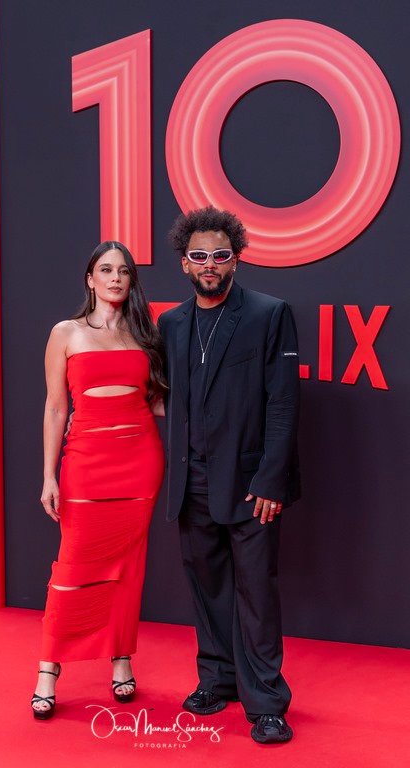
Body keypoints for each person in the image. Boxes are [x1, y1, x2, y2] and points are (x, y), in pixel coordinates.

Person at [158, 206, 300, 744]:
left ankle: (266, 702)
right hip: (190, 482)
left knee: (256, 594)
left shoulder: (269, 313)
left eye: (220, 255)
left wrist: (271, 479)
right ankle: (217, 680)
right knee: (207, 586)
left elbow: (283, 403)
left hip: (250, 485)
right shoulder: (172, 324)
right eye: (199, 256)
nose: (210, 264)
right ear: (185, 263)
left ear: (236, 259)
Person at [31, 241, 165, 719]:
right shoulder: (66, 333)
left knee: (128, 566)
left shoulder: (146, 335)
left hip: (140, 460)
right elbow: (55, 407)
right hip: (86, 461)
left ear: (131, 281)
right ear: (90, 279)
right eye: (105, 270)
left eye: (123, 271)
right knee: (73, 566)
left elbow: (157, 403)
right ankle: (48, 669)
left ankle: (121, 658)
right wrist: (48, 475)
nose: (115, 278)